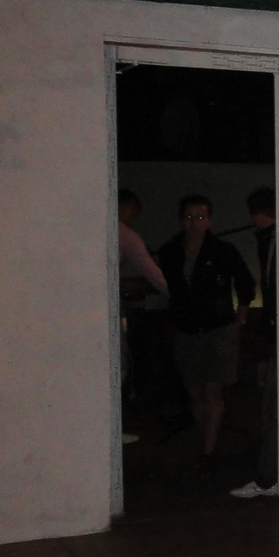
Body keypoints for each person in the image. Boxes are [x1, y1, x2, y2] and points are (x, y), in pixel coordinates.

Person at [156, 194, 254, 465]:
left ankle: (208, 452)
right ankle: (206, 440)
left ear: (209, 221)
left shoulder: (223, 250)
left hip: (218, 329)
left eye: (200, 217)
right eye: (189, 217)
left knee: (212, 390)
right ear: (181, 220)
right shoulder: (170, 251)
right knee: (195, 392)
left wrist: (240, 319)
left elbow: (245, 283)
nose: (194, 223)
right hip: (185, 329)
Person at [231, 185, 279, 498]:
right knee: (272, 408)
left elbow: (274, 296)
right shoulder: (271, 240)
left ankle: (269, 477)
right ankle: (271, 474)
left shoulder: (276, 241)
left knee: (274, 409)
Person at [117, 188, 167, 443]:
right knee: (119, 368)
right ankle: (111, 428)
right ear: (126, 209)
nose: (133, 220)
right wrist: (185, 295)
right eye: (133, 214)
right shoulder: (126, 235)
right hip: (108, 312)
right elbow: (155, 276)